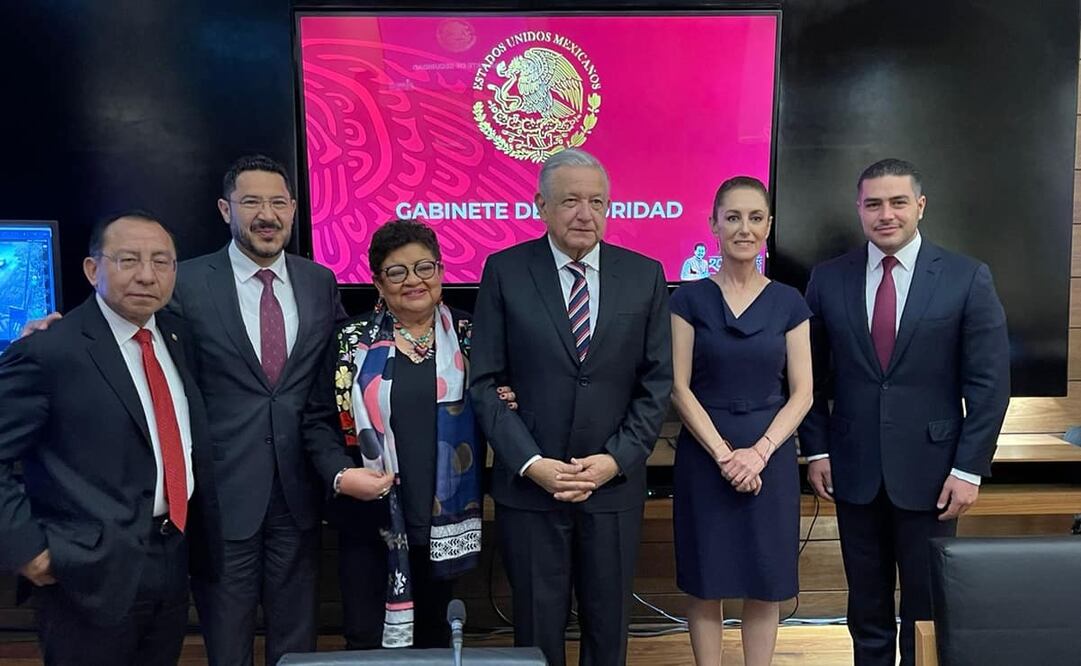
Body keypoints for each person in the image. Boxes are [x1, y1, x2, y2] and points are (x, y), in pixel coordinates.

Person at [799, 159, 1011, 666]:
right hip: (852, 470)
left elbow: (989, 385)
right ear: (859, 210)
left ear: (920, 205)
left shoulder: (966, 277)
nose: (885, 214)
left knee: (927, 609)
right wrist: (817, 450)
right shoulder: (828, 279)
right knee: (865, 607)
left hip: (934, 474)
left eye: (897, 202)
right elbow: (807, 376)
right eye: (873, 204)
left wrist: (968, 468)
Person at [469, 148, 673, 666]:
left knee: (608, 629)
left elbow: (655, 384)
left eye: (597, 202)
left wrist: (614, 460)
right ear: (541, 206)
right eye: (571, 201)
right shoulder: (505, 271)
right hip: (532, 487)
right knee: (538, 630)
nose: (586, 214)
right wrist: (532, 463)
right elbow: (485, 383)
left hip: (612, 487)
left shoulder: (644, 275)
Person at [0, 213, 223, 665]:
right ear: (92, 269)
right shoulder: (49, 351)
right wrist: (28, 550)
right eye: (128, 260)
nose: (147, 275)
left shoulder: (176, 337)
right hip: (85, 569)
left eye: (161, 261)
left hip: (172, 556)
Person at [304, 219, 494, 650]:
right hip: (370, 518)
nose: (413, 280)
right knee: (365, 638)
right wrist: (340, 475)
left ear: (441, 271)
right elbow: (316, 420)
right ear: (378, 282)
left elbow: (499, 402)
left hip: (446, 520)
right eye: (397, 271)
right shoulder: (348, 341)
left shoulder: (472, 336)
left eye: (424, 267)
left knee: (436, 640)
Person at [669, 176, 813, 666]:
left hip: (770, 456)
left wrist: (759, 454)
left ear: (768, 226)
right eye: (732, 217)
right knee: (705, 581)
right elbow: (678, 387)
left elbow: (803, 392)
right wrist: (726, 456)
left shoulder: (790, 302)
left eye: (755, 218)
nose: (744, 228)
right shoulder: (687, 300)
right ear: (713, 225)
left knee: (765, 581)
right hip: (705, 455)